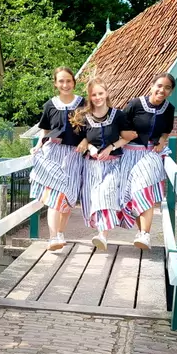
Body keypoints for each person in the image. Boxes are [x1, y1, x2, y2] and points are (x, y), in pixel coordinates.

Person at [70, 79, 137, 251]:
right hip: (91, 166)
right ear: (90, 97)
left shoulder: (118, 115)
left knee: (106, 196)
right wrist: (90, 147)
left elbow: (128, 136)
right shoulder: (84, 117)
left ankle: (102, 236)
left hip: (113, 164)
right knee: (93, 200)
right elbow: (82, 139)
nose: (98, 97)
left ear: (106, 94)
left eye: (101, 93)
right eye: (94, 94)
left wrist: (111, 147)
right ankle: (100, 231)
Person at [29, 67, 86, 251]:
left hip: (74, 155)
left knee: (67, 199)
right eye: (61, 81)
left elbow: (91, 128)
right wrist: (38, 146)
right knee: (54, 197)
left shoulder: (83, 103)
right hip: (53, 153)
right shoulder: (50, 105)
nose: (65, 84)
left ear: (73, 82)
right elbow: (45, 130)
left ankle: (60, 233)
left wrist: (85, 141)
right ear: (55, 83)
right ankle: (53, 237)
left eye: (68, 81)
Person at [118, 73, 176, 250]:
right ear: (152, 86)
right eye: (159, 86)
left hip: (150, 153)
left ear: (171, 92)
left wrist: (163, 140)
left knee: (143, 189)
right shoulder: (135, 104)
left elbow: (167, 130)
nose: (162, 90)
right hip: (129, 153)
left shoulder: (169, 109)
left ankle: (145, 234)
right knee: (134, 194)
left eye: (167, 88)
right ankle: (141, 233)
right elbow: (119, 125)